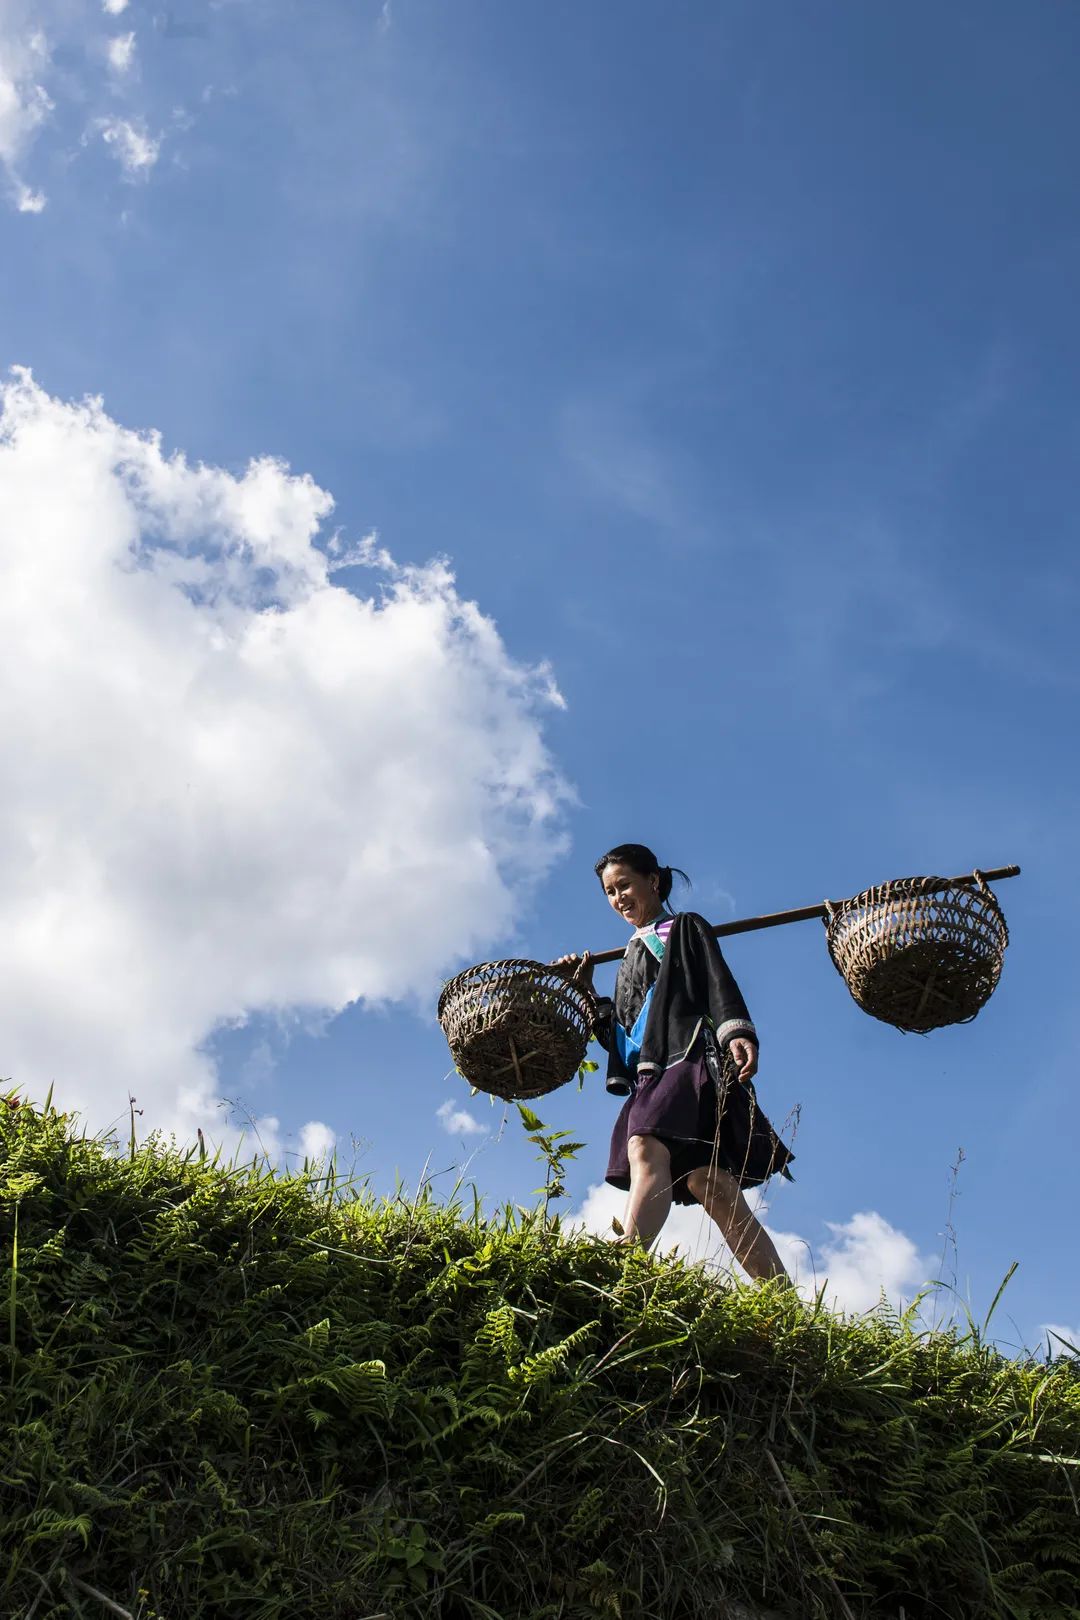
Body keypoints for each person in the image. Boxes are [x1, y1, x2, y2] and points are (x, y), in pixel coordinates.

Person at [559, 843, 793, 1282]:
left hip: (689, 1061)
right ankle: (783, 1302)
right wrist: (587, 993)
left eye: (624, 884)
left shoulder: (682, 929)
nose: (618, 898)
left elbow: (715, 977)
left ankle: (625, 1268)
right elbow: (626, 1043)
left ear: (653, 880)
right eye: (610, 892)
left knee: (645, 1143)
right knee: (711, 1184)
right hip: (654, 1072)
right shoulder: (628, 960)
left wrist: (737, 1030)